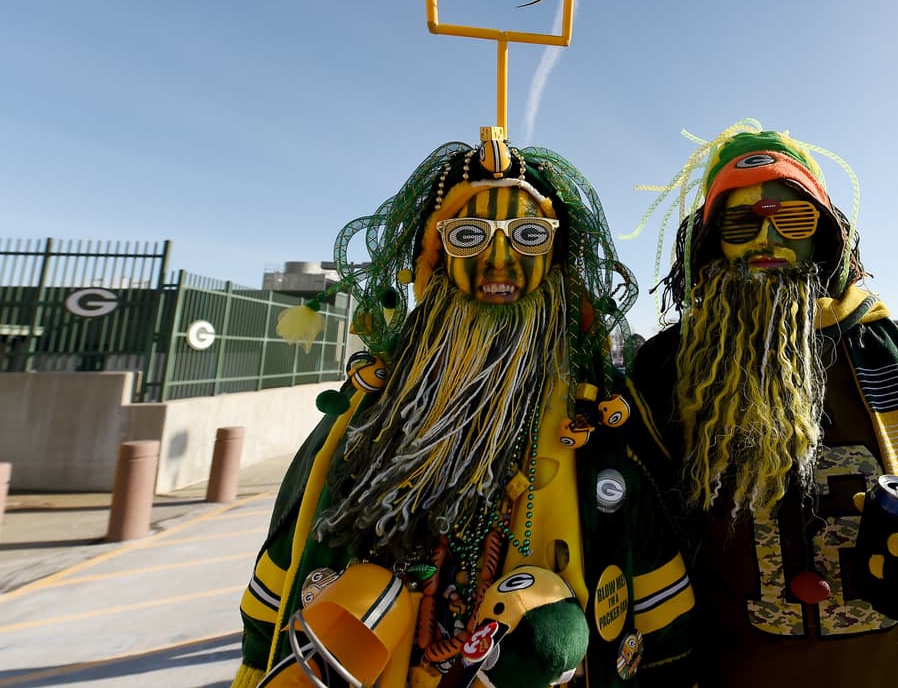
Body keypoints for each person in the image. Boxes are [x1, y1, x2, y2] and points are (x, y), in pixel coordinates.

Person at [232, 127, 696, 687]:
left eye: (528, 235)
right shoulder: (372, 411)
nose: (498, 263)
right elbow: (293, 542)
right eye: (470, 236)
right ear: (436, 255)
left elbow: (651, 580)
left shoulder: (592, 413)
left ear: (556, 258)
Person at [625, 122, 898, 687]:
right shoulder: (664, 370)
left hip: (891, 669)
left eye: (794, 218)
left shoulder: (890, 350)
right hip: (730, 670)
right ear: (709, 239)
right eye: (739, 222)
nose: (767, 241)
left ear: (825, 234)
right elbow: (625, 519)